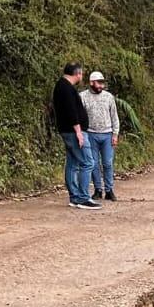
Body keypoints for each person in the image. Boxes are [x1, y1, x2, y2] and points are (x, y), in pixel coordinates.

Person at [52, 64, 99, 209]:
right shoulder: (66, 88)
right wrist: (78, 131)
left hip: (67, 130)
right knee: (87, 162)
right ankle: (83, 197)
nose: (82, 76)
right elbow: (71, 111)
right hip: (73, 131)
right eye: (82, 73)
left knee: (73, 163)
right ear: (77, 73)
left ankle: (74, 196)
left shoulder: (61, 86)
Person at [80, 71, 120, 201]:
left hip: (107, 134)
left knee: (108, 163)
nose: (101, 86)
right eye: (99, 83)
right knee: (94, 163)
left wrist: (115, 133)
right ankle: (98, 189)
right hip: (91, 133)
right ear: (91, 83)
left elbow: (114, 116)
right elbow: (79, 116)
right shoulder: (83, 97)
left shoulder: (108, 97)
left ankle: (109, 189)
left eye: (102, 83)